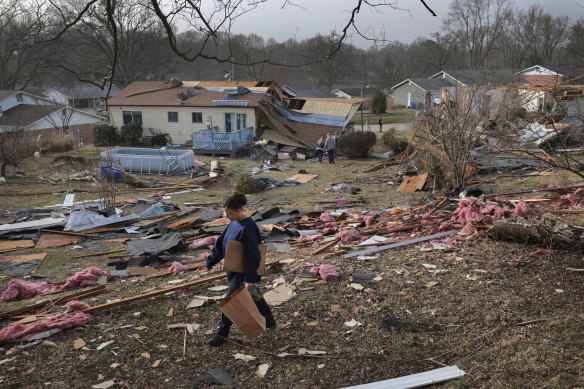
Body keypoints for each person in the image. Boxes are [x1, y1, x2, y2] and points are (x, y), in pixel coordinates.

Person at [206, 192, 276, 347]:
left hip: (243, 272)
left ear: (239, 210)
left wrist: (250, 279)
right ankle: (270, 321)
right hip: (233, 269)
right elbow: (221, 243)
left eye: (229, 213)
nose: (227, 216)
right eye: (225, 213)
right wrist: (211, 260)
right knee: (253, 295)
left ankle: (221, 334)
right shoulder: (233, 223)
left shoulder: (248, 227)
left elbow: (253, 255)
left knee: (229, 302)